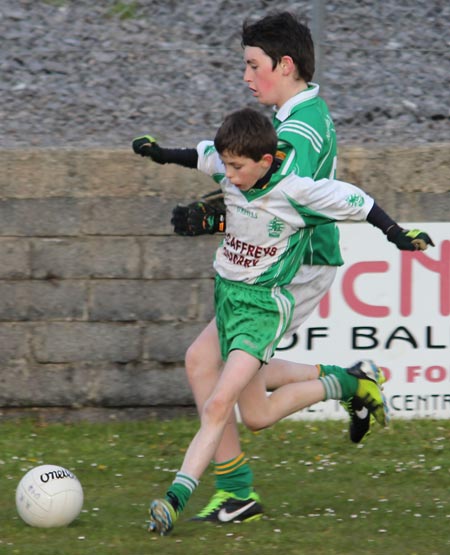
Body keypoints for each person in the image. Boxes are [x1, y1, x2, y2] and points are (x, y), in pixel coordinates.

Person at [132, 11, 434, 524]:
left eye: (253, 65)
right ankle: (349, 383)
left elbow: (266, 193)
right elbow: (233, 170)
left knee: (227, 378)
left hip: (297, 267)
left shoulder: (300, 131)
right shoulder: (297, 116)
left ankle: (235, 490)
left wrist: (214, 213)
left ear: (286, 64)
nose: (246, 77)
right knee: (232, 386)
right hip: (283, 262)